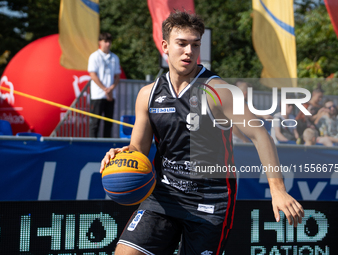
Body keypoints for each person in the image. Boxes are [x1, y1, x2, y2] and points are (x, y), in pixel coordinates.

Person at [100, 11, 304, 255]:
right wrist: (121, 156)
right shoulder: (148, 94)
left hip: (210, 201)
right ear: (165, 46)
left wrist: (278, 189)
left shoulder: (218, 90)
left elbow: (261, 135)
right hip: (164, 196)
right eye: (182, 43)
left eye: (195, 44)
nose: (189, 51)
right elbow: (138, 150)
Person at [88, 32, 121, 138]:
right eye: (106, 41)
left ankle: (107, 146)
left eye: (109, 42)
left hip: (110, 95)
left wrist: (111, 88)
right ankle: (92, 145)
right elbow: (93, 74)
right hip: (98, 94)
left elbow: (117, 76)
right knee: (95, 123)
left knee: (109, 122)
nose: (108, 44)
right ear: (100, 42)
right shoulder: (94, 56)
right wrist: (105, 89)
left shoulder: (114, 57)